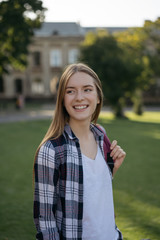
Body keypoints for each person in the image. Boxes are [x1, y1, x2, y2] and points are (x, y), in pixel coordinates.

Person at [33, 63, 126, 240]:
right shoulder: (51, 150)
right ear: (62, 99)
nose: (79, 97)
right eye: (70, 91)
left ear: (98, 97)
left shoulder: (102, 136)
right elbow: (45, 223)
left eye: (87, 89)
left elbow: (91, 192)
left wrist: (112, 169)